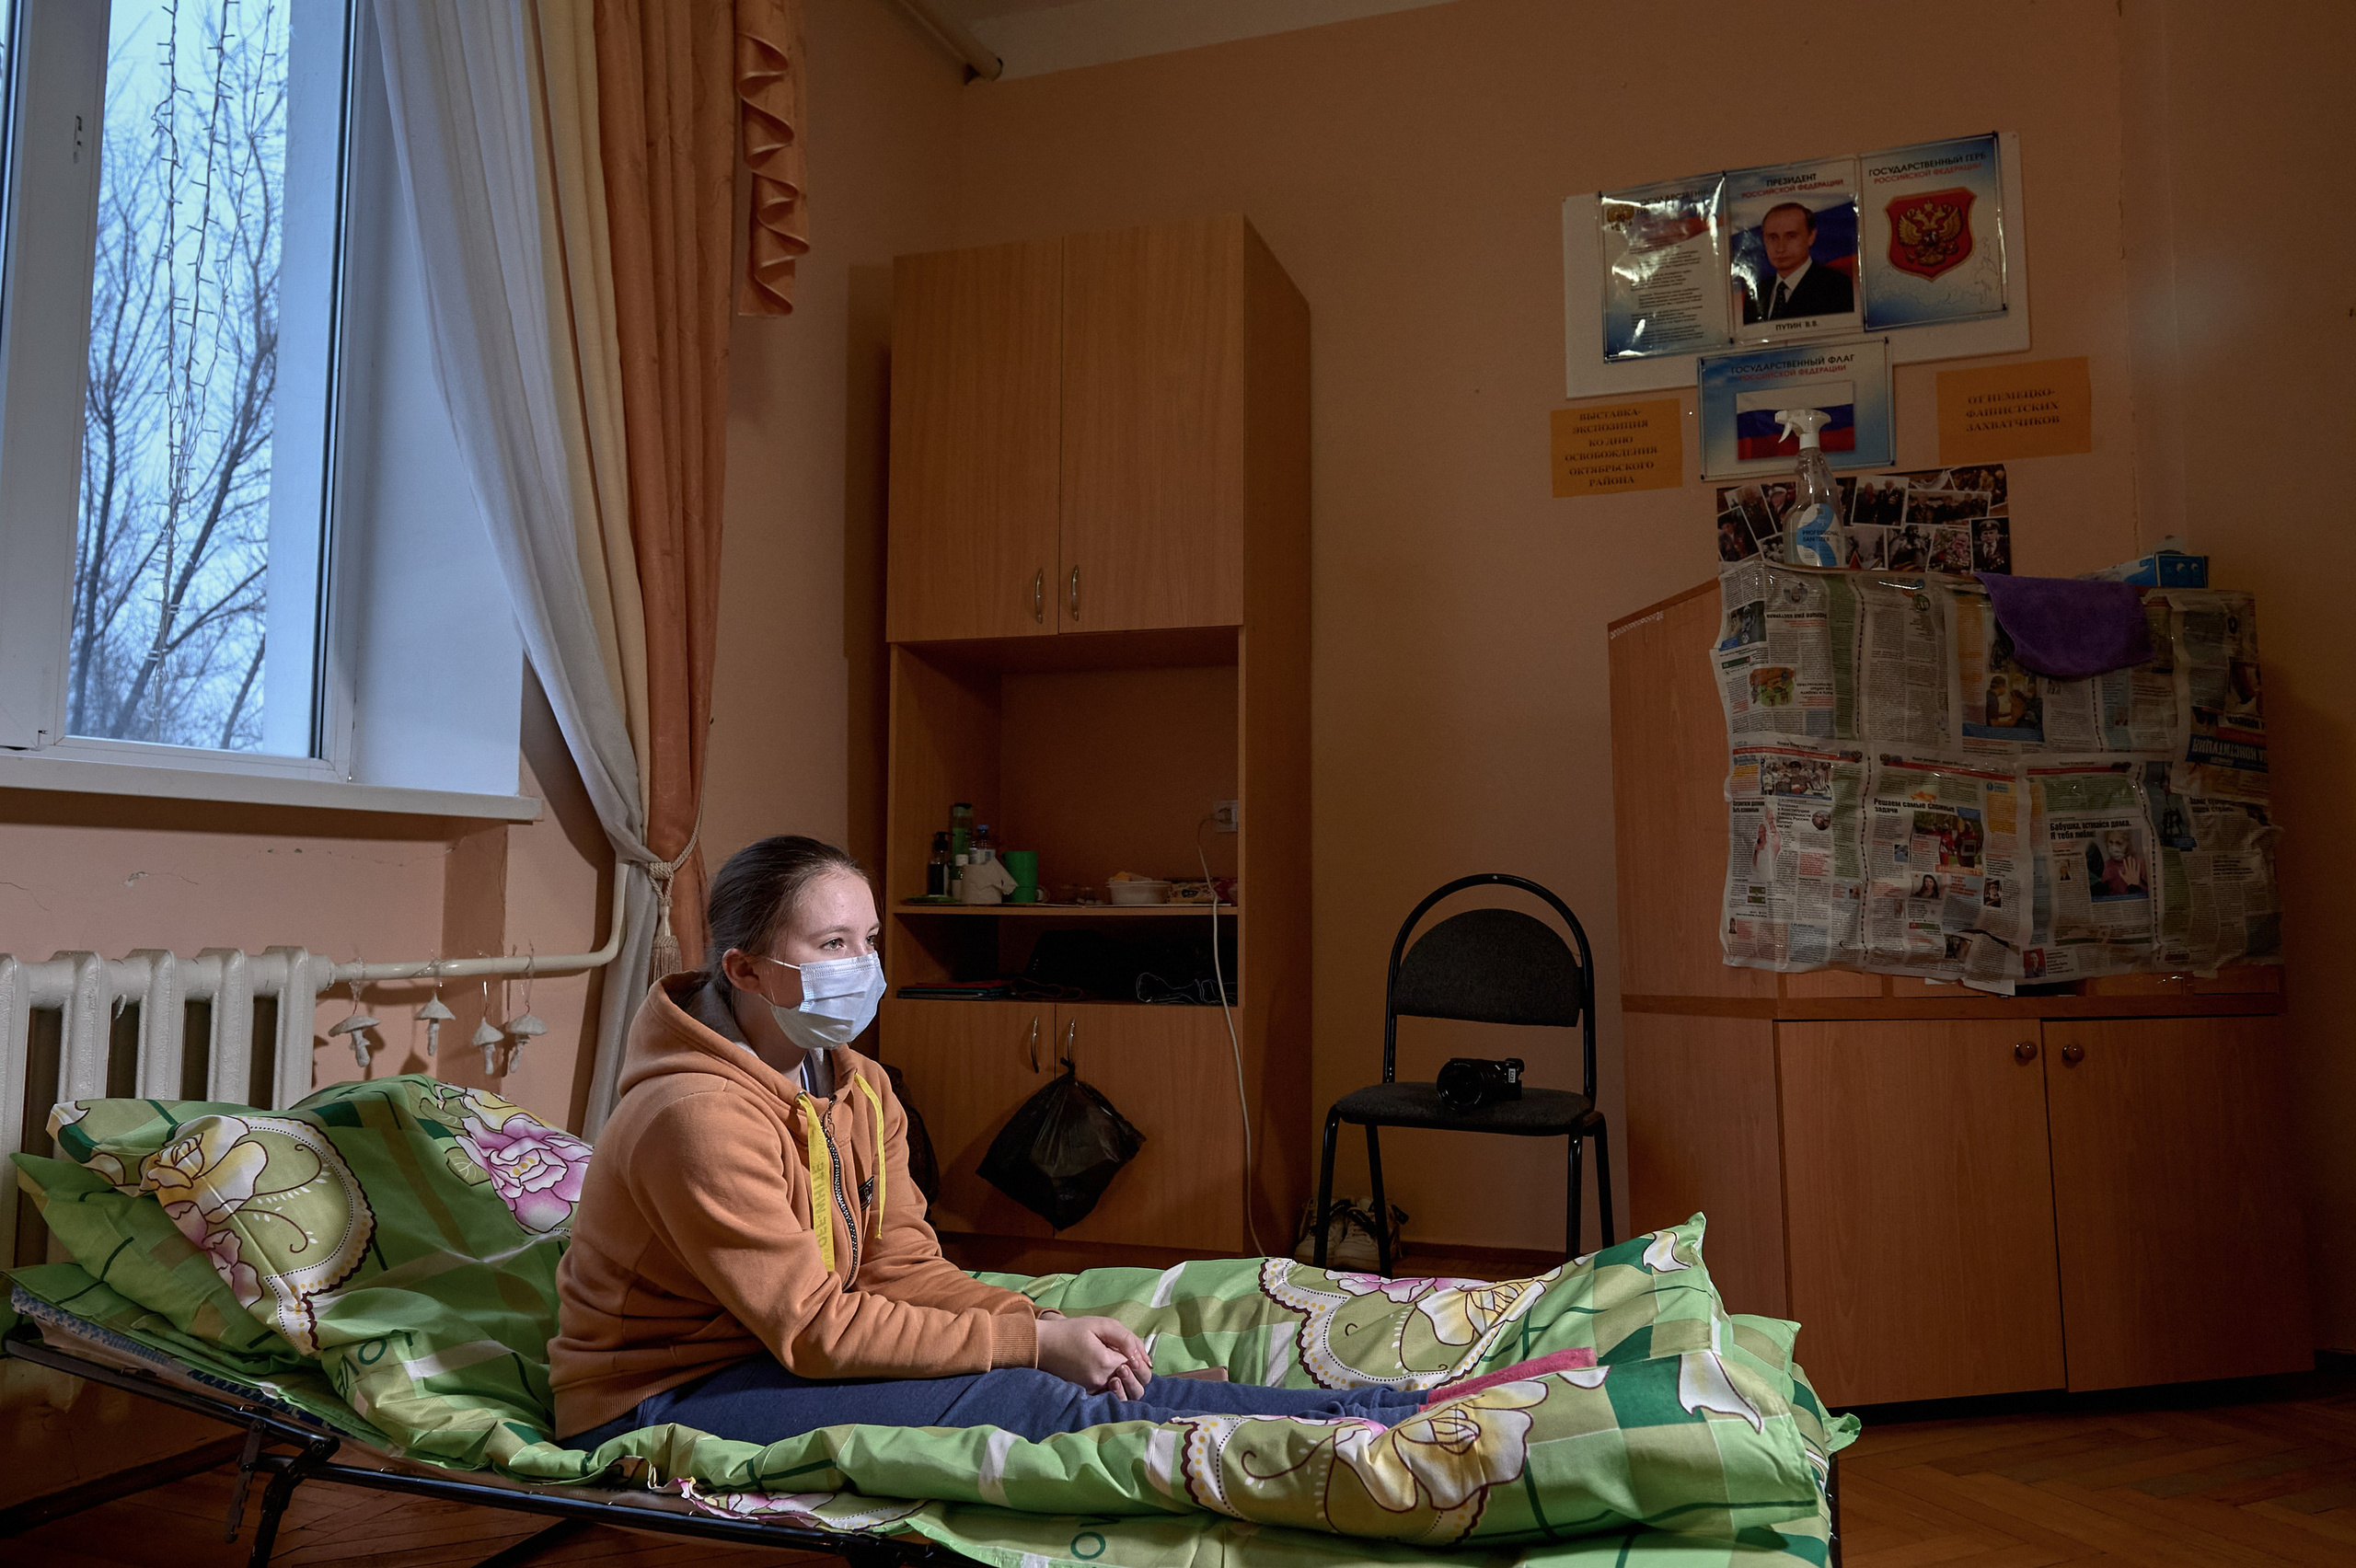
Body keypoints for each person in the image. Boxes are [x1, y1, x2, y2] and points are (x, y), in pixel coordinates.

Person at [550, 836, 1426, 1449]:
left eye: (868, 942)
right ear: (742, 970)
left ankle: (1367, 1410)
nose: (863, 967)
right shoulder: (695, 1117)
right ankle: (1349, 1435)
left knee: (1076, 1373)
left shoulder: (856, 1083)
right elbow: (816, 1329)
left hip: (777, 1353)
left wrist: (1038, 1322)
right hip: (664, 1394)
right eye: (830, 944)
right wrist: (1028, 1348)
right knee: (1034, 1400)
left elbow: (900, 1271)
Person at [1742, 202, 1854, 323]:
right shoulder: (1756, 293)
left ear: (1811, 236)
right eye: (1773, 237)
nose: (1780, 248)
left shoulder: (1836, 287)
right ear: (1763, 239)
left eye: (1791, 236)